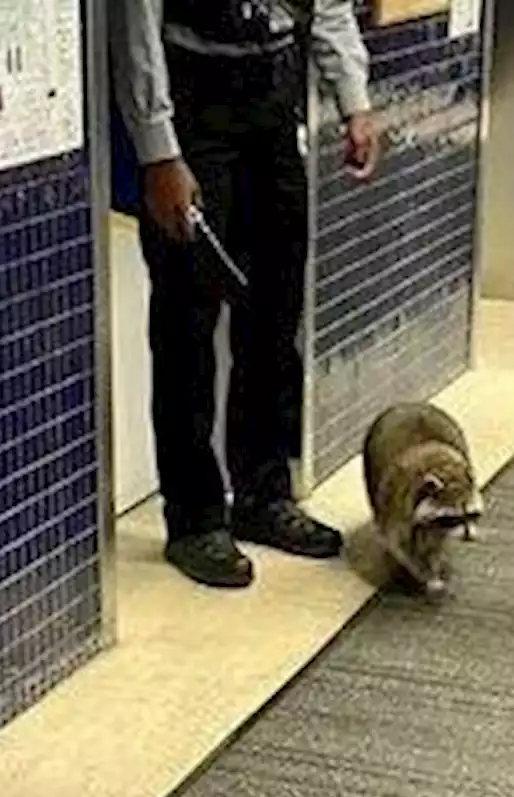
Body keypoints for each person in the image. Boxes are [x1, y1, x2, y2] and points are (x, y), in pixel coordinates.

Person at [109, 0, 379, 589]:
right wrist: (159, 152)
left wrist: (353, 101)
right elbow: (135, 28)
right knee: (188, 319)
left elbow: (326, 5)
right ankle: (194, 517)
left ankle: (262, 494)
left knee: (276, 314)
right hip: (191, 103)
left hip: (273, 98)